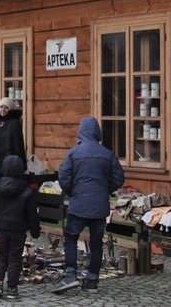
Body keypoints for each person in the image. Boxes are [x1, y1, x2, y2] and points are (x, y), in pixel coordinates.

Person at [54, 117, 125, 295]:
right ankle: (92, 279)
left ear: (81, 132)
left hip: (79, 204)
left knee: (70, 238)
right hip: (99, 205)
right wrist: (104, 190)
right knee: (96, 243)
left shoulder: (73, 153)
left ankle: (70, 274)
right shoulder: (107, 154)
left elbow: (63, 178)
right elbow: (119, 178)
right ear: (97, 133)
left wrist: (74, 192)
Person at [0, 155, 40, 299]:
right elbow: (32, 214)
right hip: (19, 229)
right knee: (15, 258)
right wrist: (35, 231)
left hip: (1, 228)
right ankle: (12, 288)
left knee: (0, 255)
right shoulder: (27, 191)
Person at [0, 97, 26, 174]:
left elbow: (17, 143)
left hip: (9, 156)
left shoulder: (14, 123)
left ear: (10, 109)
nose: (3, 110)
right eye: (1, 107)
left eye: (6, 108)